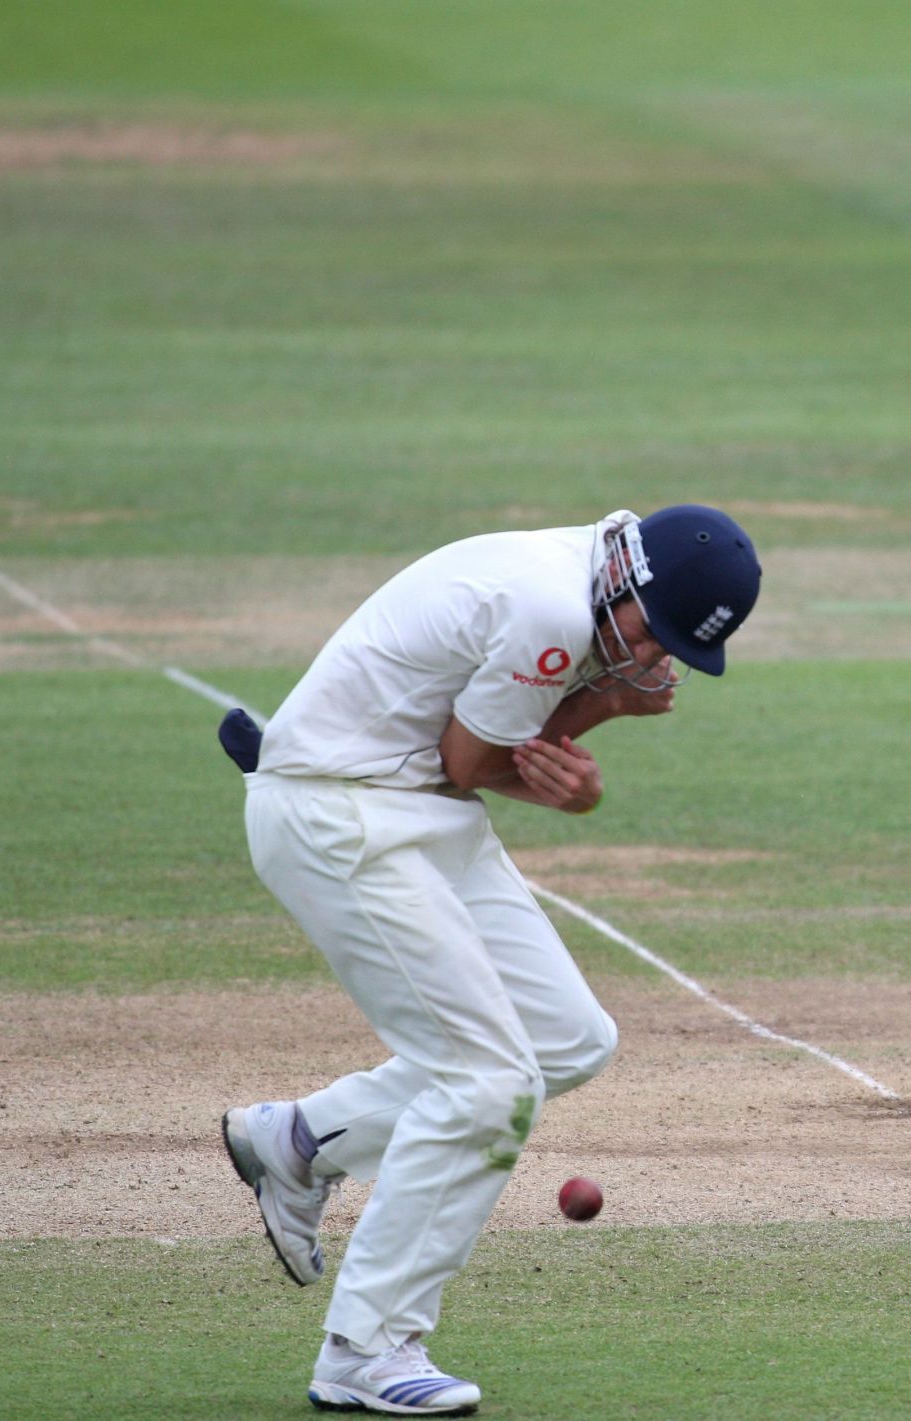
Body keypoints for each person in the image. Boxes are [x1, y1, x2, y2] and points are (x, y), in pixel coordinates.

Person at [220, 505, 761, 1415]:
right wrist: (610, 709)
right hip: (337, 813)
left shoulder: (597, 577)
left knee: (568, 1039)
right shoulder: (550, 608)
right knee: (489, 1082)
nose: (649, 653)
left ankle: (300, 1139)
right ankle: (366, 1347)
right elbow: (471, 759)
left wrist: (579, 747)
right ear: (628, 579)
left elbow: (470, 761)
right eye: (650, 631)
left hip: (413, 803)